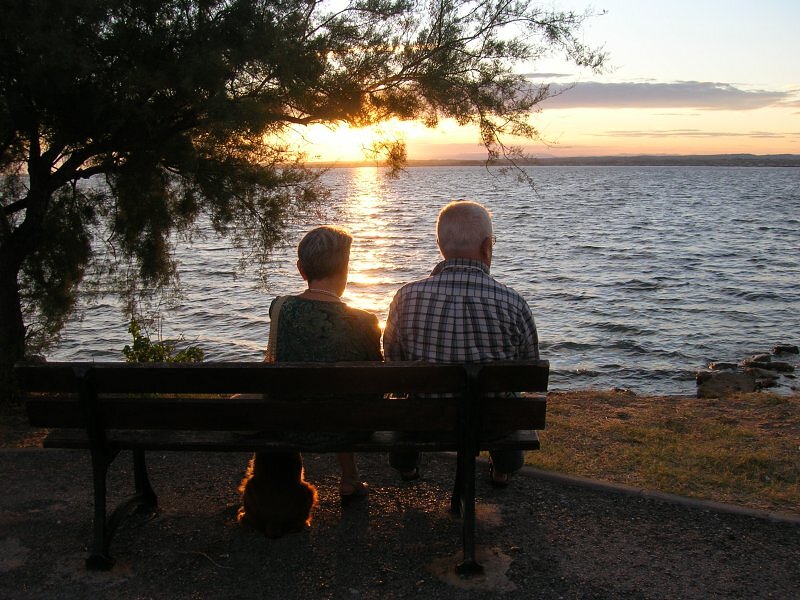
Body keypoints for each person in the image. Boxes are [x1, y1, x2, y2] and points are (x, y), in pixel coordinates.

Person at [382, 200, 539, 486]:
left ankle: (406, 467)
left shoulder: (405, 298)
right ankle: (503, 469)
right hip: (490, 424)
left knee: (407, 399)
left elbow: (393, 362)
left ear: (440, 245)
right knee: (509, 399)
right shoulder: (513, 303)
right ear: (487, 247)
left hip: (423, 424)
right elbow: (528, 369)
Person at [267, 225, 382, 501]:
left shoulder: (279, 308)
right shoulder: (364, 321)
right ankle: (349, 478)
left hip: (291, 423)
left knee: (308, 394)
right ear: (345, 270)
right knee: (343, 398)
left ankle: (338, 478)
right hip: (350, 427)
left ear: (301, 269)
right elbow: (375, 386)